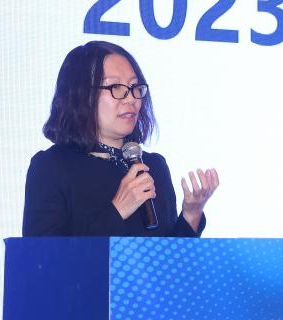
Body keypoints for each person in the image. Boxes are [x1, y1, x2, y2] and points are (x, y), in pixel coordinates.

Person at [22, 40, 218, 237]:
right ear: (81, 94)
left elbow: (167, 254)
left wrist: (192, 214)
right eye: (115, 87)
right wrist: (118, 210)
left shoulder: (154, 166)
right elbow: (43, 253)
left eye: (134, 86)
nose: (131, 98)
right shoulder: (52, 167)